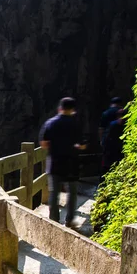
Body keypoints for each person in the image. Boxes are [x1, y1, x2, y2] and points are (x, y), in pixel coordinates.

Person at [39, 97, 86, 227]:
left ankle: (54, 220)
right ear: (73, 110)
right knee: (72, 193)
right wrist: (75, 147)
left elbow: (43, 143)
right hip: (71, 163)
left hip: (54, 163)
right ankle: (69, 220)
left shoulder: (50, 123)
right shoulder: (76, 124)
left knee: (54, 192)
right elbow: (82, 145)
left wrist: (55, 146)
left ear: (60, 108)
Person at [101, 109, 126, 178]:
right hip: (120, 150)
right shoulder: (126, 125)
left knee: (107, 169)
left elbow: (106, 138)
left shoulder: (113, 125)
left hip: (111, 151)